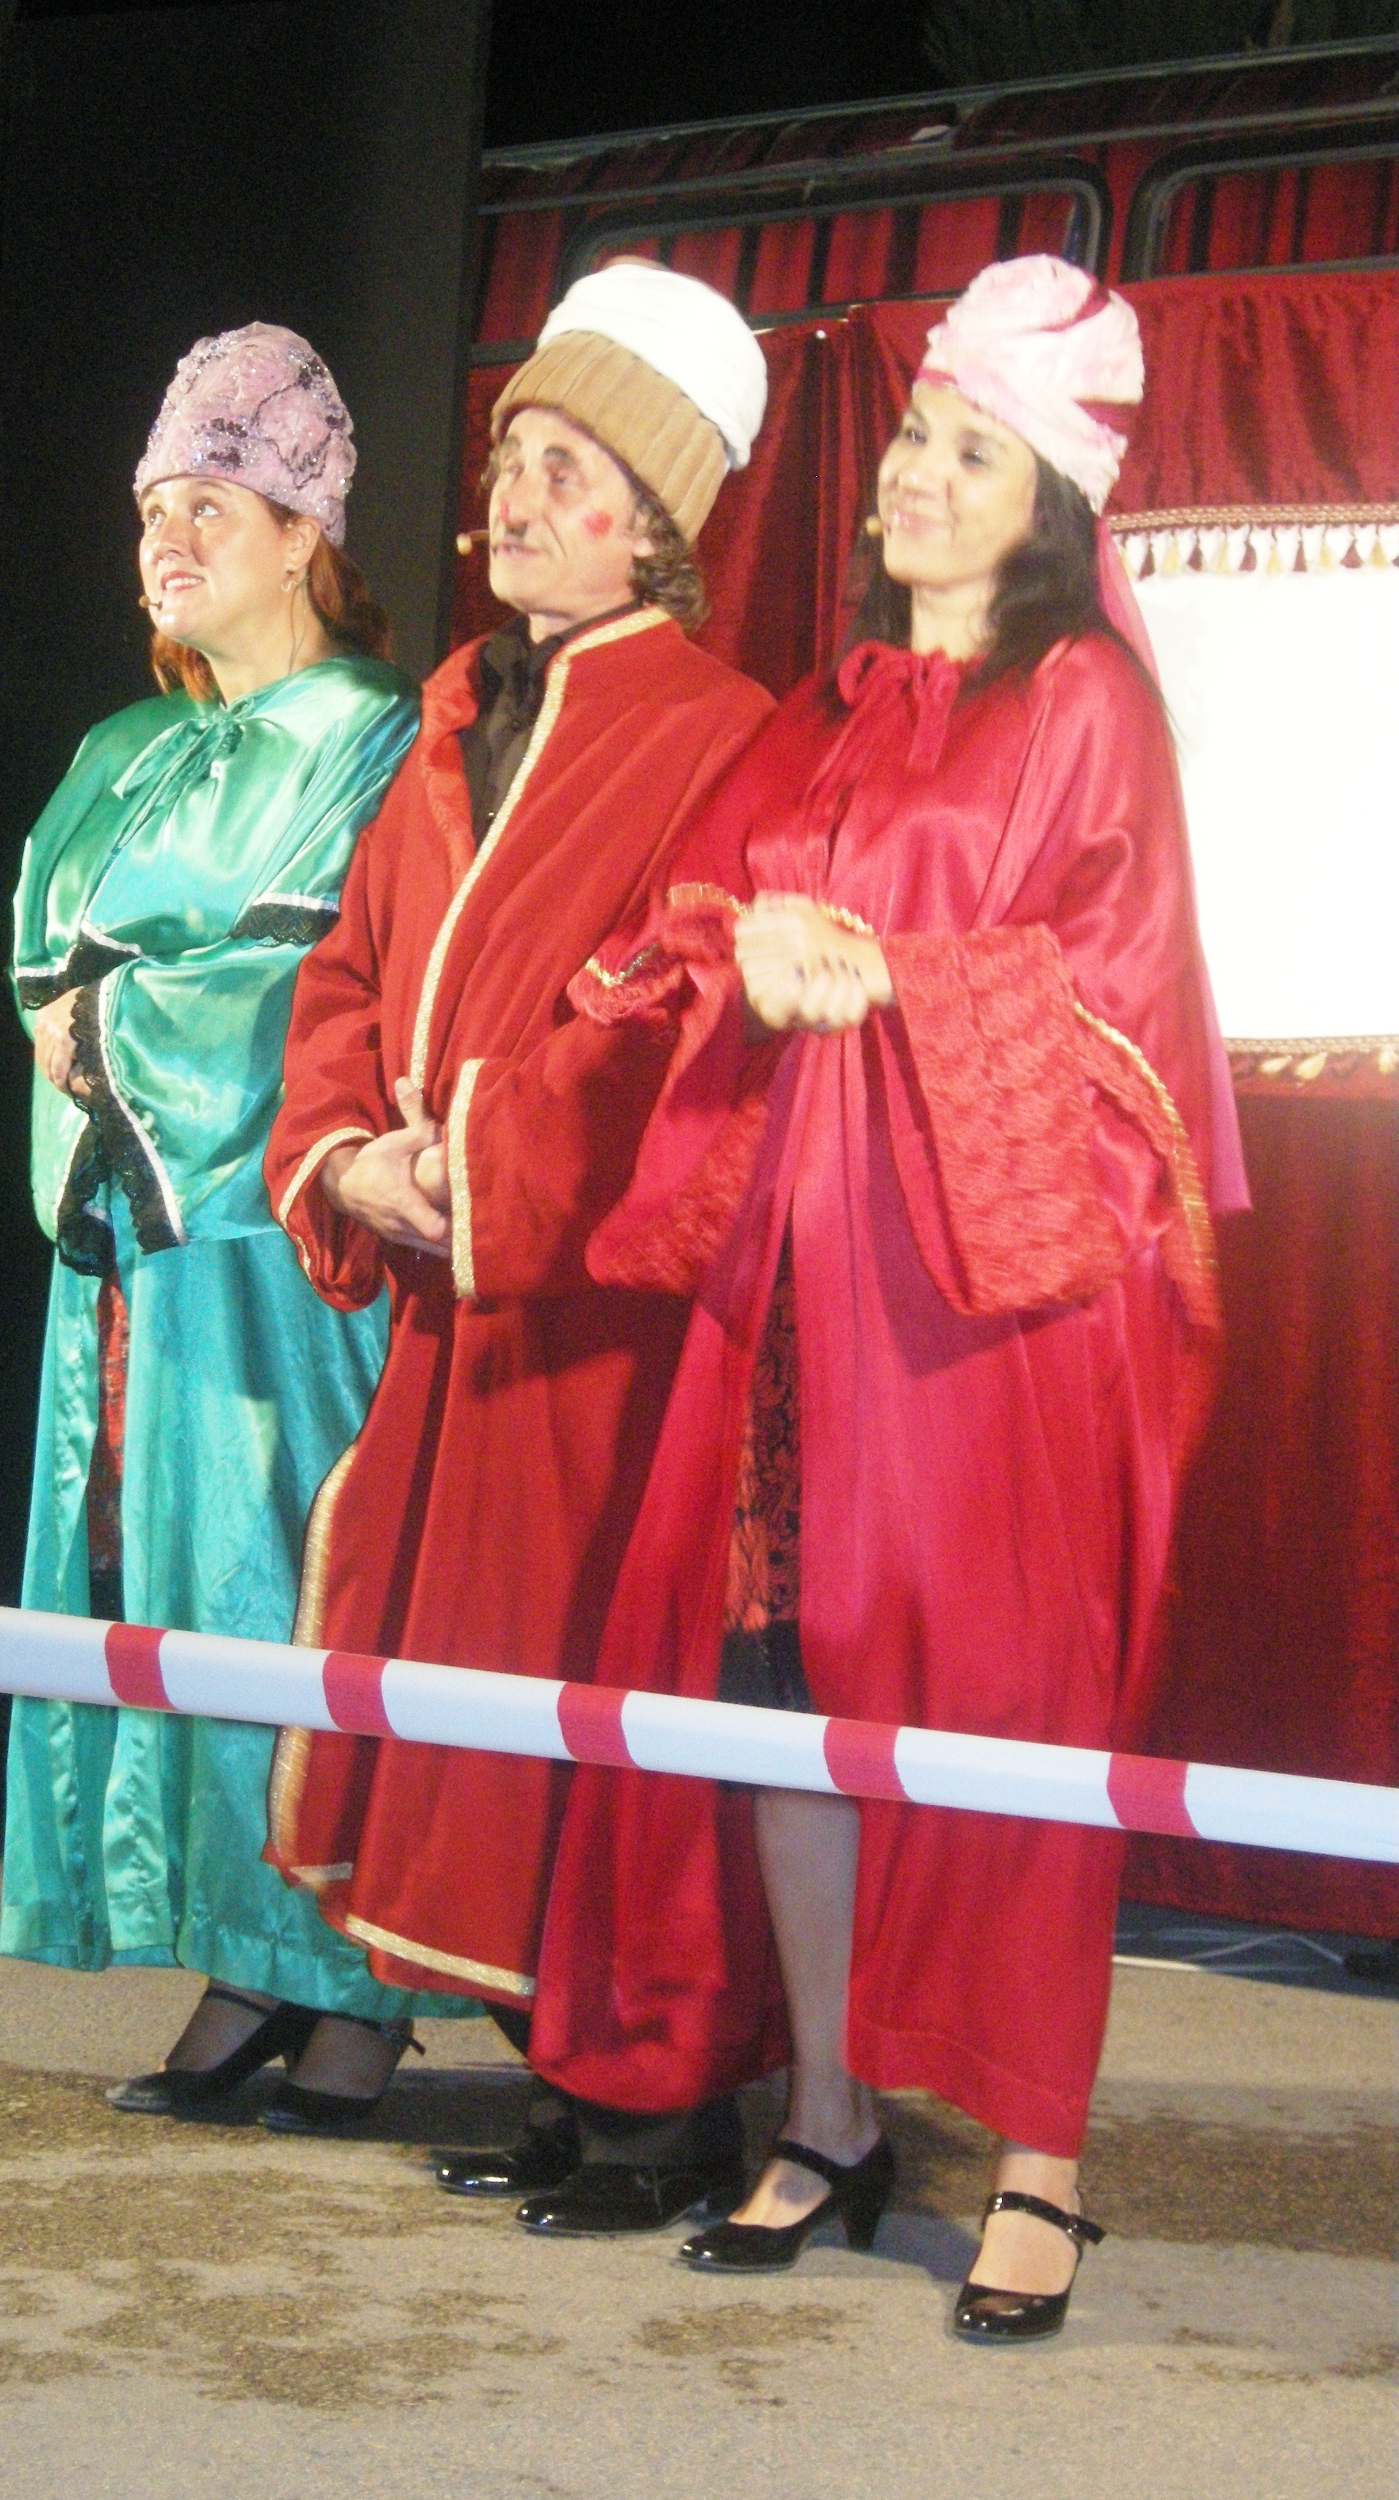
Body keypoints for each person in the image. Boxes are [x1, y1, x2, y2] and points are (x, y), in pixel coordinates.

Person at [529, 256, 1248, 2337]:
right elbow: (690, 917)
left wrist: (886, 977)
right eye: (915, 435)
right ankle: (829, 2115)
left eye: (967, 452)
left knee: (1006, 1720)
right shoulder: (827, 706)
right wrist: (741, 955)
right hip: (791, 1297)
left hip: (984, 1321)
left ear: (1052, 502)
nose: (911, 476)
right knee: (779, 1695)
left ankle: (1038, 2165)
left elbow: (1116, 1023)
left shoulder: (1083, 706)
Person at [262, 261, 777, 2226]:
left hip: (598, 1323)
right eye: (511, 458)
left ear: (654, 521)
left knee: (597, 1695)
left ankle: (661, 2105)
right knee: (469, 1694)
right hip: (451, 1306)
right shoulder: (457, 714)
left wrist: (472, 1161)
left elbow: (672, 1010)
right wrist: (342, 1157)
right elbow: (345, 969)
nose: (514, 498)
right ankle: (569, 2078)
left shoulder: (719, 733)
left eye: (567, 469)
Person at [0, 321, 460, 2132]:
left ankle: (354, 1975)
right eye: (152, 512)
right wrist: (80, 1017)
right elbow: (42, 954)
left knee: (290, 1576)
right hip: (138, 1241)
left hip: (282, 1247)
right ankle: (242, 1954)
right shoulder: (124, 745)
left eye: (211, 505)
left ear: (300, 533)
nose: (169, 540)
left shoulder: (372, 737)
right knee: (170, 1586)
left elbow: (318, 981)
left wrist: (110, 1016)